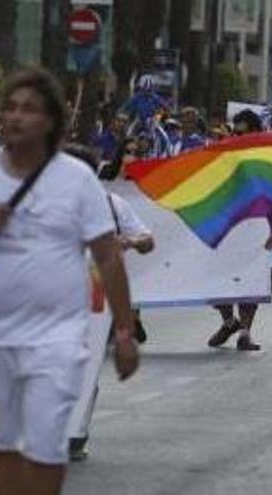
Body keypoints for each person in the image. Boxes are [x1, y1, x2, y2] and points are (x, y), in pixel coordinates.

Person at [0, 68, 139, 495]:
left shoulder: (76, 179)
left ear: (50, 121)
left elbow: (108, 256)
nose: (16, 117)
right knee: (4, 446)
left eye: (28, 109)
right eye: (10, 108)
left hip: (56, 336)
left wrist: (124, 332)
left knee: (46, 444)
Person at [64, 143, 155, 462]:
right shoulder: (39, 207)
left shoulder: (112, 205)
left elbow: (148, 240)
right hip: (50, 303)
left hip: (95, 305)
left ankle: (76, 429)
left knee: (85, 365)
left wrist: (127, 241)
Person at [207, 110, 267, 352]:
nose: (237, 135)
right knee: (218, 276)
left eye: (242, 132)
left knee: (251, 279)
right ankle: (229, 321)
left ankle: (245, 332)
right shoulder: (223, 151)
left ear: (255, 131)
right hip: (226, 223)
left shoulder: (266, 157)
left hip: (254, 225)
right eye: (235, 131)